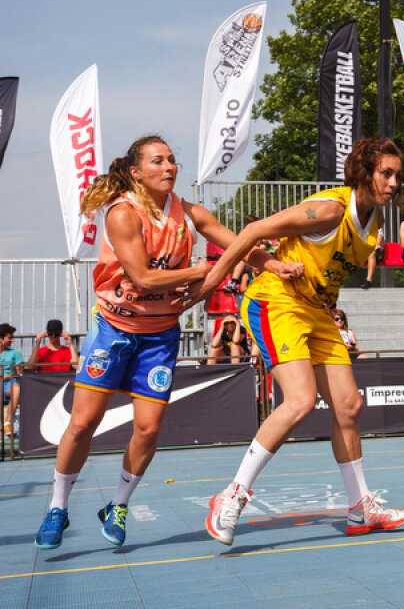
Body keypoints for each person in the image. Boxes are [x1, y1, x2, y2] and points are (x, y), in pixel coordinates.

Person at [34, 135, 286, 550]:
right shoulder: (122, 213)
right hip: (114, 331)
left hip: (159, 335)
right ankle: (57, 507)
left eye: (172, 160)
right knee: (82, 425)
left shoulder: (187, 213)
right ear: (136, 172)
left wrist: (274, 263)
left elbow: (237, 242)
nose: (169, 167)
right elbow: (144, 278)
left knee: (148, 431)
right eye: (158, 161)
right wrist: (202, 272)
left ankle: (117, 505)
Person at [198, 135, 404, 546]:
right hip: (274, 301)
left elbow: (328, 270)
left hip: (316, 311)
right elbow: (254, 230)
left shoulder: (377, 221)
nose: (392, 182)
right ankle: (231, 495)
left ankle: (359, 509)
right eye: (385, 173)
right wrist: (213, 280)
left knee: (349, 405)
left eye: (397, 175)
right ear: (363, 173)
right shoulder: (330, 209)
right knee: (299, 401)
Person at [1, 323, 22, 436]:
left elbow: (21, 373)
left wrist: (8, 377)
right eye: (9, 337)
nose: (12, 340)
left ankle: (8, 422)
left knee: (16, 388)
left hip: (10, 384)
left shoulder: (15, 353)